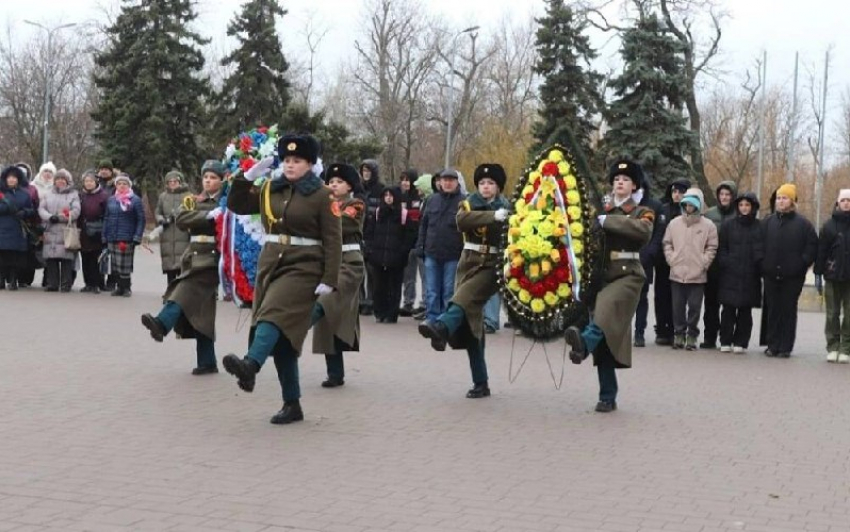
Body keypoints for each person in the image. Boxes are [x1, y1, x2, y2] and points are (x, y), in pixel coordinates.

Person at [222, 134, 342, 425]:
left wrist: (329, 277)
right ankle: (292, 404)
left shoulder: (322, 195)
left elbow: (333, 239)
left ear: (310, 164)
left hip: (304, 267)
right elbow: (237, 204)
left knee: (272, 315)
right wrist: (247, 177)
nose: (290, 165)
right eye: (287, 160)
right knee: (285, 341)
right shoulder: (270, 190)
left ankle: (251, 364)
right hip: (272, 265)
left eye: (297, 160)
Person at [564, 159, 655, 412]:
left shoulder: (641, 211)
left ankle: (582, 345)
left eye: (625, 180)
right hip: (602, 275)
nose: (619, 183)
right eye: (616, 180)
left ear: (634, 185)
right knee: (605, 337)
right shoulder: (600, 210)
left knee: (604, 313)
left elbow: (642, 232)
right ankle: (607, 396)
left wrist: (607, 221)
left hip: (628, 275)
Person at [418, 163, 509, 398]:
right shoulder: (468, 204)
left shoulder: (507, 207)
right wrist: (492, 217)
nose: (486, 187)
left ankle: (442, 327)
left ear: (498, 187)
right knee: (472, 327)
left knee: (462, 298)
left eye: (490, 184)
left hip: (493, 266)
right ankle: (481, 382)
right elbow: (462, 221)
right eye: (482, 183)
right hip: (468, 263)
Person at [141, 161, 226, 375]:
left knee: (182, 290)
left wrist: (213, 216)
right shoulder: (195, 200)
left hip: (212, 259)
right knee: (203, 311)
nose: (208, 181)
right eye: (205, 177)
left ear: (222, 180)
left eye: (213, 177)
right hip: (193, 256)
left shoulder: (226, 202)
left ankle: (162, 324)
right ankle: (207, 361)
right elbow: (182, 219)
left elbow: (224, 221)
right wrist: (207, 216)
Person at [312, 163, 366, 387]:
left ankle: (294, 327)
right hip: (328, 264)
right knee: (327, 319)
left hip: (349, 263)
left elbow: (343, 222)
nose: (334, 185)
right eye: (330, 182)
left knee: (326, 303)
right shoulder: (323, 204)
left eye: (339, 182)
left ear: (349, 186)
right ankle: (335, 373)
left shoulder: (356, 204)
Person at [761, 183, 818, 358]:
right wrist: (763, 264)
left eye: (784, 198)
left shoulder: (803, 224)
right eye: (778, 198)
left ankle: (785, 346)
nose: (781, 201)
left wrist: (801, 264)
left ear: (792, 201)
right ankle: (772, 344)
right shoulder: (768, 222)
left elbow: (812, 247)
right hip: (770, 274)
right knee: (772, 310)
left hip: (792, 277)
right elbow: (758, 245)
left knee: (788, 310)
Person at [662, 187, 718, 350]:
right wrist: (671, 259)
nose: (689, 207)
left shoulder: (708, 225)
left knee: (694, 307)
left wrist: (704, 262)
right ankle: (679, 334)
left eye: (692, 204)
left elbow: (712, 246)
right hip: (677, 273)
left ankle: (692, 335)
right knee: (677, 307)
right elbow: (667, 243)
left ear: (699, 205)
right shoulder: (674, 223)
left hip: (697, 274)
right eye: (686, 204)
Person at [417, 168, 466, 322]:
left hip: (453, 254)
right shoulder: (431, 200)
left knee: (448, 291)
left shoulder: (464, 202)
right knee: (432, 290)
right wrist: (420, 246)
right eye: (445, 180)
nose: (447, 183)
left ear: (457, 182)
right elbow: (423, 225)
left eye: (451, 180)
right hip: (431, 252)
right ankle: (432, 318)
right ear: (440, 182)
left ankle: (446, 321)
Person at [717, 192, 763, 353]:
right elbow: (722, 247)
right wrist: (725, 262)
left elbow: (761, 250)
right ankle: (725, 340)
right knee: (728, 310)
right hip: (729, 274)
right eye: (741, 205)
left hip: (750, 274)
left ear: (753, 207)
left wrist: (758, 265)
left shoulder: (759, 226)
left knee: (745, 310)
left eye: (747, 205)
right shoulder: (728, 225)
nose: (744, 208)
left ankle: (741, 342)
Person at [365, 187, 417, 323]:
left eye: (391, 195)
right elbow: (369, 233)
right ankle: (379, 312)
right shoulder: (377, 214)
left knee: (394, 287)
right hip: (378, 257)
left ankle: (391, 313)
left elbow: (410, 235)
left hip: (396, 258)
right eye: (385, 195)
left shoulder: (403, 215)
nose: (388, 198)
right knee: (378, 286)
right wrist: (370, 250)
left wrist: (403, 251)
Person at [653, 178, 691, 345]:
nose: (677, 195)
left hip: (682, 261)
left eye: (681, 192)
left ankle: (678, 330)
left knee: (678, 298)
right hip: (663, 261)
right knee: (661, 296)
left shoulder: (689, 212)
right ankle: (662, 329)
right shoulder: (663, 209)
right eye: (674, 191)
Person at [814, 189, 850, 363]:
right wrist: (818, 274)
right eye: (843, 200)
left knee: (849, 315)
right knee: (832, 314)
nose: (846, 203)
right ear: (837, 203)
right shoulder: (828, 226)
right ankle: (833, 346)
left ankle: (846, 348)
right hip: (832, 275)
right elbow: (821, 251)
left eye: (849, 200)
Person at [702, 181, 738, 349]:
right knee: (710, 304)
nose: (724, 197)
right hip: (711, 265)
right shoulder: (709, 214)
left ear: (733, 196)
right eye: (722, 194)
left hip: (730, 267)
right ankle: (709, 338)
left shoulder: (738, 214)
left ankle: (726, 338)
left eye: (728, 194)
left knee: (729, 305)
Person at [632, 173, 663, 347]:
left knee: (641, 298)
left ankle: (639, 333)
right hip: (623, 259)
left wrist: (650, 253)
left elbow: (658, 233)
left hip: (645, 259)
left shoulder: (654, 206)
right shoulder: (624, 204)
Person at [102, 173, 146, 297]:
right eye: (119, 184)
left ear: (129, 185)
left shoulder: (135, 200)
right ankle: (119, 287)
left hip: (127, 237)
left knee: (125, 264)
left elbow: (141, 219)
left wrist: (137, 236)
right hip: (112, 236)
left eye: (124, 184)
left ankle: (126, 287)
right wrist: (104, 235)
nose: (122, 186)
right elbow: (106, 217)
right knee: (115, 264)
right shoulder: (111, 200)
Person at [38, 169, 81, 292]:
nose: (60, 181)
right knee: (51, 259)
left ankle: (66, 284)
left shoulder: (73, 194)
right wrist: (50, 217)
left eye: (63, 179)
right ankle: (52, 284)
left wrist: (62, 217)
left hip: (66, 230)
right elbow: (41, 209)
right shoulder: (48, 193)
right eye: (58, 179)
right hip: (50, 229)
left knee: (66, 259)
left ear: (68, 181)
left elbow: (76, 211)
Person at [0, 166, 35, 291]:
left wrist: (24, 213)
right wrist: (7, 208)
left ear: (18, 179)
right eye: (9, 178)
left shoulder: (24, 194)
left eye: (14, 178)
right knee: (2, 256)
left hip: (17, 228)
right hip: (3, 228)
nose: (11, 180)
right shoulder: (1, 193)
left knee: (15, 257)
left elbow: (31, 209)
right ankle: (1, 279)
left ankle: (13, 279)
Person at [154, 170, 192, 284]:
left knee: (182, 261)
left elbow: (191, 212)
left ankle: (181, 288)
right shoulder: (163, 197)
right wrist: (161, 220)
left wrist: (183, 219)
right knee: (169, 262)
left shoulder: (188, 196)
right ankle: (170, 287)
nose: (172, 183)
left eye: (175, 181)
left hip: (182, 232)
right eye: (170, 181)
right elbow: (158, 211)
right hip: (167, 232)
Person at [399, 168, 426, 317]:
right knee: (408, 275)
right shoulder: (400, 198)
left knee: (424, 275)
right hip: (406, 242)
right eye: (402, 180)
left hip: (420, 242)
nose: (405, 183)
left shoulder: (420, 198)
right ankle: (408, 302)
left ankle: (424, 303)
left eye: (407, 180)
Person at [77, 170, 109, 293]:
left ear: (96, 182)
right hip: (84, 231)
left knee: (96, 259)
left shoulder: (103, 196)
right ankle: (88, 283)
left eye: (91, 181)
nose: (88, 183)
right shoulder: (80, 195)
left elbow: (107, 214)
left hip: (97, 230)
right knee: (85, 258)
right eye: (86, 181)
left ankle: (97, 283)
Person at [359, 159, 383, 316]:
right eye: (364, 171)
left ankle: (371, 300)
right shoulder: (358, 189)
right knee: (358, 270)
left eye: (368, 171)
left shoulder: (380, 190)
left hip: (374, 235)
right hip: (359, 233)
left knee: (372, 272)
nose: (366, 174)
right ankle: (360, 301)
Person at [14, 163, 41, 288]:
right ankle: (11, 277)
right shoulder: (6, 189)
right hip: (11, 224)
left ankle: (25, 279)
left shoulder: (32, 189)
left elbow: (35, 206)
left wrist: (28, 214)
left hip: (28, 224)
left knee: (28, 252)